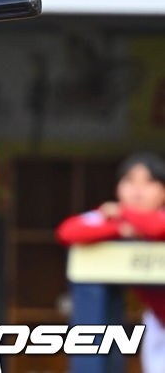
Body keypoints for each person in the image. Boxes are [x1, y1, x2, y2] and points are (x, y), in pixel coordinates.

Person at [56, 152, 165, 373]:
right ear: (118, 187)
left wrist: (123, 212)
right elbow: (68, 231)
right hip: (158, 320)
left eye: (149, 182)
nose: (138, 189)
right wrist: (119, 226)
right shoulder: (114, 218)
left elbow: (158, 227)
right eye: (130, 180)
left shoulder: (122, 212)